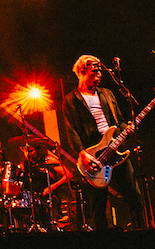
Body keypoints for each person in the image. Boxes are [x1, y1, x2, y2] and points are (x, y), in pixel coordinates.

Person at [61, 54, 145, 230]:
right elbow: (71, 131)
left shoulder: (107, 93)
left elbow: (119, 120)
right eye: (94, 71)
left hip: (115, 149)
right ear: (82, 71)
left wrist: (126, 129)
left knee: (135, 196)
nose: (99, 74)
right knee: (98, 206)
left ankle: (142, 231)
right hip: (94, 156)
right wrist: (83, 155)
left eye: (100, 71)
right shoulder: (71, 99)